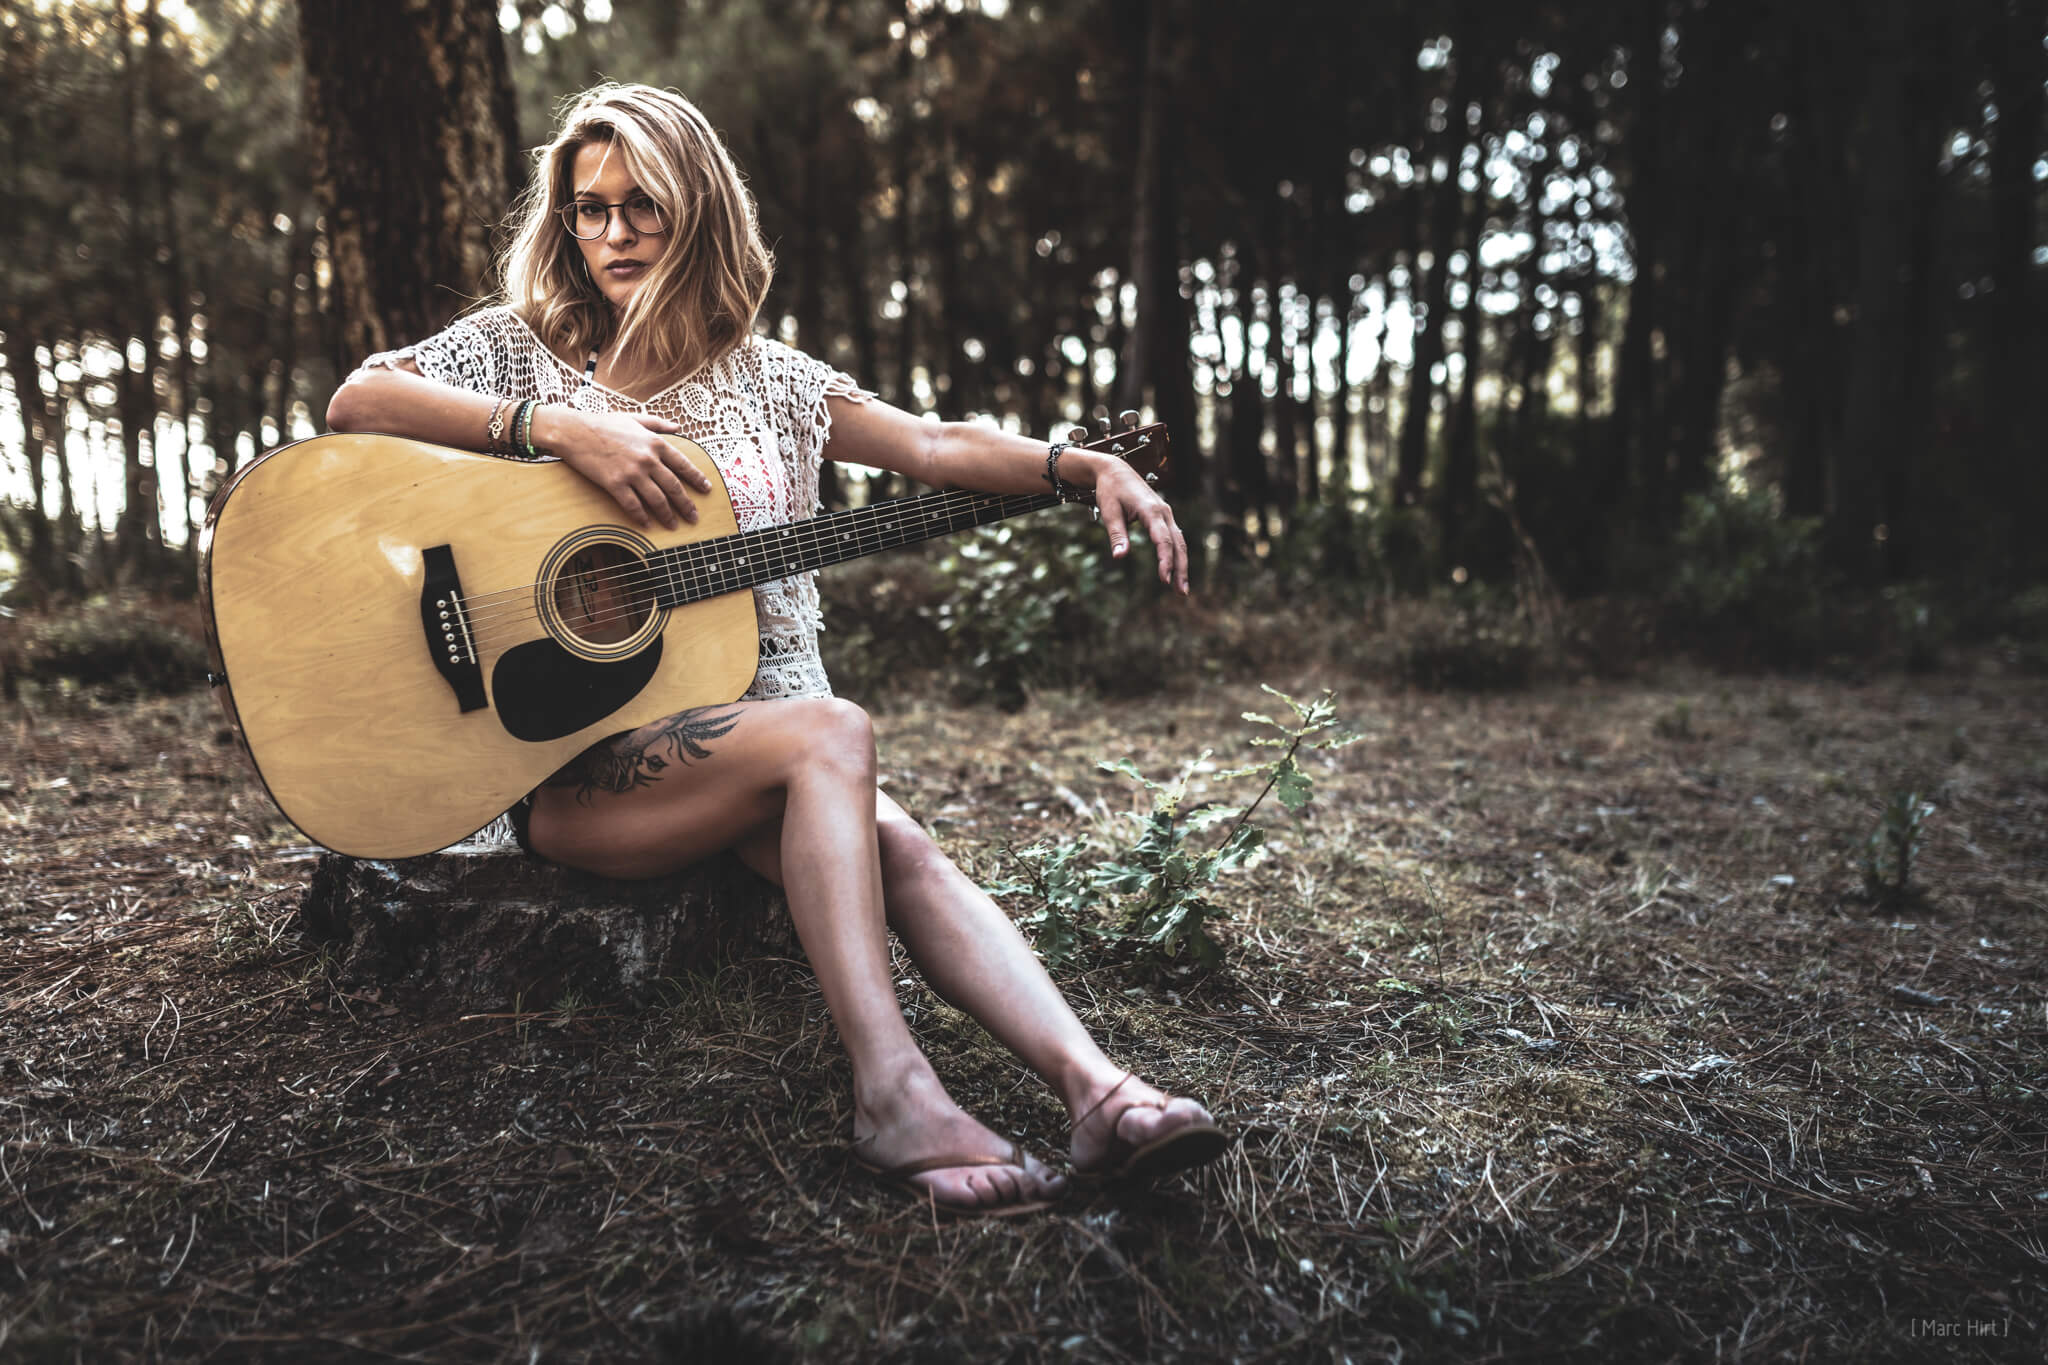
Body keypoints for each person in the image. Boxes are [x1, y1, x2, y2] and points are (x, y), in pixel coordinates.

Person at [326, 82, 1224, 1217]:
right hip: (571, 765)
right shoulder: (520, 355)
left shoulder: (773, 382)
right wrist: (559, 428)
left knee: (903, 850)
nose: (610, 235)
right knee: (832, 734)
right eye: (586, 210)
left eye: (640, 206)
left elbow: (934, 444)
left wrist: (1077, 464)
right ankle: (893, 1092)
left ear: (697, 205)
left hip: (769, 743)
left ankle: (1101, 1098)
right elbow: (360, 398)